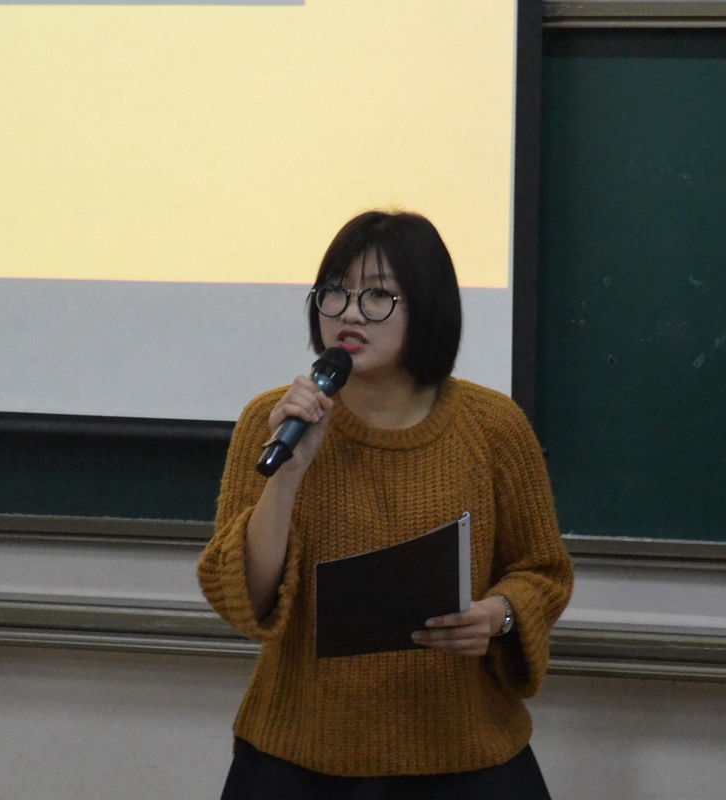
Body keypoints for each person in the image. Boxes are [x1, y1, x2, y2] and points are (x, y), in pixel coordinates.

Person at [197, 209, 574, 799]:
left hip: (465, 753)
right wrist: (287, 475)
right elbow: (246, 598)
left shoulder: (493, 426)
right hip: (299, 755)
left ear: (427, 308)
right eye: (335, 292)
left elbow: (542, 571)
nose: (349, 313)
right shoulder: (273, 422)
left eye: (377, 296)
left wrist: (497, 615)